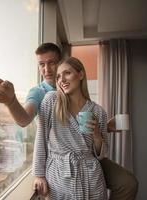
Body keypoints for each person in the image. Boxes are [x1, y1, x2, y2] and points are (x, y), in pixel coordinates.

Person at [0, 43, 138, 200]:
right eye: (42, 64)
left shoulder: (96, 109)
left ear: (78, 73)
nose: (47, 69)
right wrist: (11, 101)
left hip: (89, 166)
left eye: (52, 63)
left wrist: (101, 130)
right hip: (60, 167)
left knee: (128, 182)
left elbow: (92, 144)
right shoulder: (43, 95)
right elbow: (28, 123)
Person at [32, 56, 108, 199]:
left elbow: (101, 154)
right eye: (58, 77)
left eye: (67, 73)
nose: (62, 80)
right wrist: (39, 175)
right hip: (59, 177)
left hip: (91, 177)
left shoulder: (98, 112)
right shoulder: (51, 100)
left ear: (80, 74)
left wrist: (97, 135)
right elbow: (40, 138)